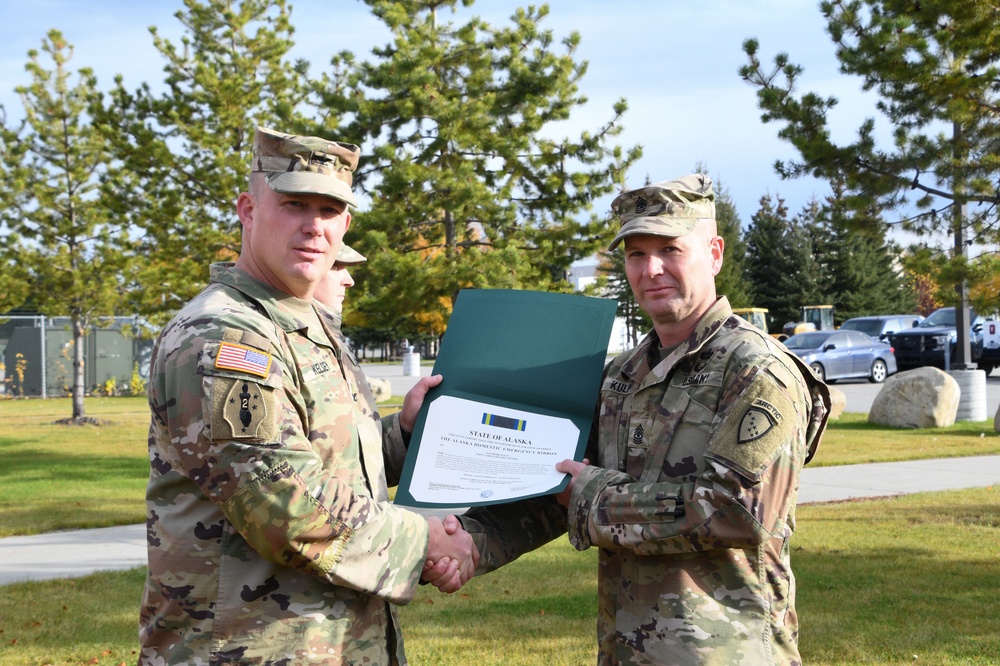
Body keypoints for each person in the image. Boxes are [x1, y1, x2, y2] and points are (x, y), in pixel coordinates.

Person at [429, 174, 831, 665]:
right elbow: (558, 485)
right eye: (636, 254)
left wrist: (593, 495)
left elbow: (735, 511)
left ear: (715, 253)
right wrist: (474, 541)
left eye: (670, 249)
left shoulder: (756, 370)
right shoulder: (622, 374)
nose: (652, 269)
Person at [140, 126, 477, 665]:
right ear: (248, 209)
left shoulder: (303, 323)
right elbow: (286, 503)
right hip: (248, 648)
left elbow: (327, 459)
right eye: (295, 204)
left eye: (329, 209)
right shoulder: (224, 336)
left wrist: (404, 433)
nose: (314, 226)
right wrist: (427, 542)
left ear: (346, 223)